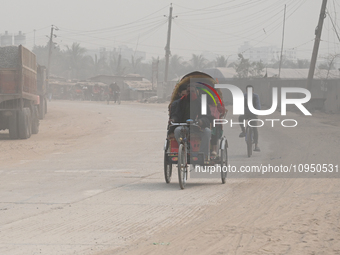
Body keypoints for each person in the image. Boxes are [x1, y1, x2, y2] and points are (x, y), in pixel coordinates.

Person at [172, 84, 213, 161]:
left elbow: (208, 117)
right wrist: (173, 119)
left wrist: (201, 121)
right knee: (177, 131)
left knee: (207, 132)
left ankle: (202, 154)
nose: (190, 93)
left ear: (196, 92)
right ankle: (186, 149)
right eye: (188, 91)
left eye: (192, 91)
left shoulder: (202, 103)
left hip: (199, 127)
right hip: (185, 127)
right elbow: (176, 115)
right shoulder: (181, 102)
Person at [238, 85, 261, 152]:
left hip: (253, 114)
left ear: (253, 91)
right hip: (246, 113)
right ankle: (243, 131)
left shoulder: (256, 96)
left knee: (254, 128)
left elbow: (258, 106)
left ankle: (256, 145)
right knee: (240, 118)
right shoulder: (244, 96)